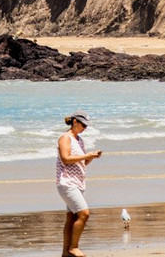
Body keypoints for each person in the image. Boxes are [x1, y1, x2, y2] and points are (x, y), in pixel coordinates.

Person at [56, 110, 102, 257]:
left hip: (78, 183)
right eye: (83, 125)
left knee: (72, 218)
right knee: (84, 213)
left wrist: (91, 157)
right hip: (67, 183)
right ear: (75, 122)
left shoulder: (79, 140)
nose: (85, 128)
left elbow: (81, 161)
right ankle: (73, 247)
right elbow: (65, 158)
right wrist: (86, 155)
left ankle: (65, 252)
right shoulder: (65, 137)